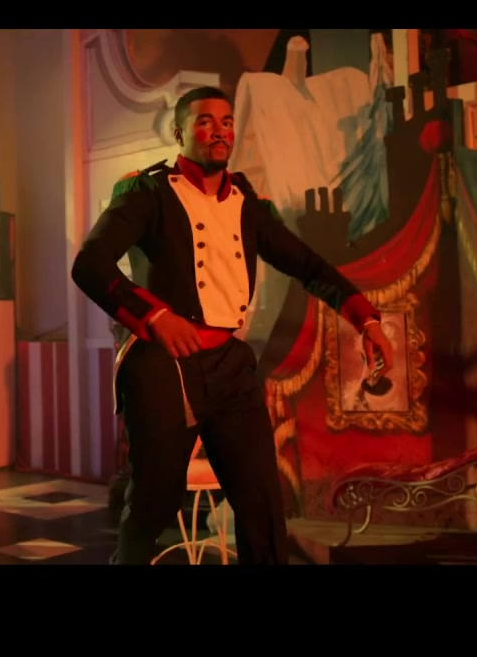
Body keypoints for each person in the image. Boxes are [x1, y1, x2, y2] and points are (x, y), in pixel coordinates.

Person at [71, 86, 394, 565]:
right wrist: (156, 317)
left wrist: (365, 319)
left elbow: (307, 265)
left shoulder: (246, 201)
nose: (219, 131)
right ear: (180, 133)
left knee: (261, 502)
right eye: (205, 121)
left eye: (226, 122)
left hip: (229, 365)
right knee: (156, 499)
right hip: (165, 365)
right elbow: (90, 265)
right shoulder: (148, 193)